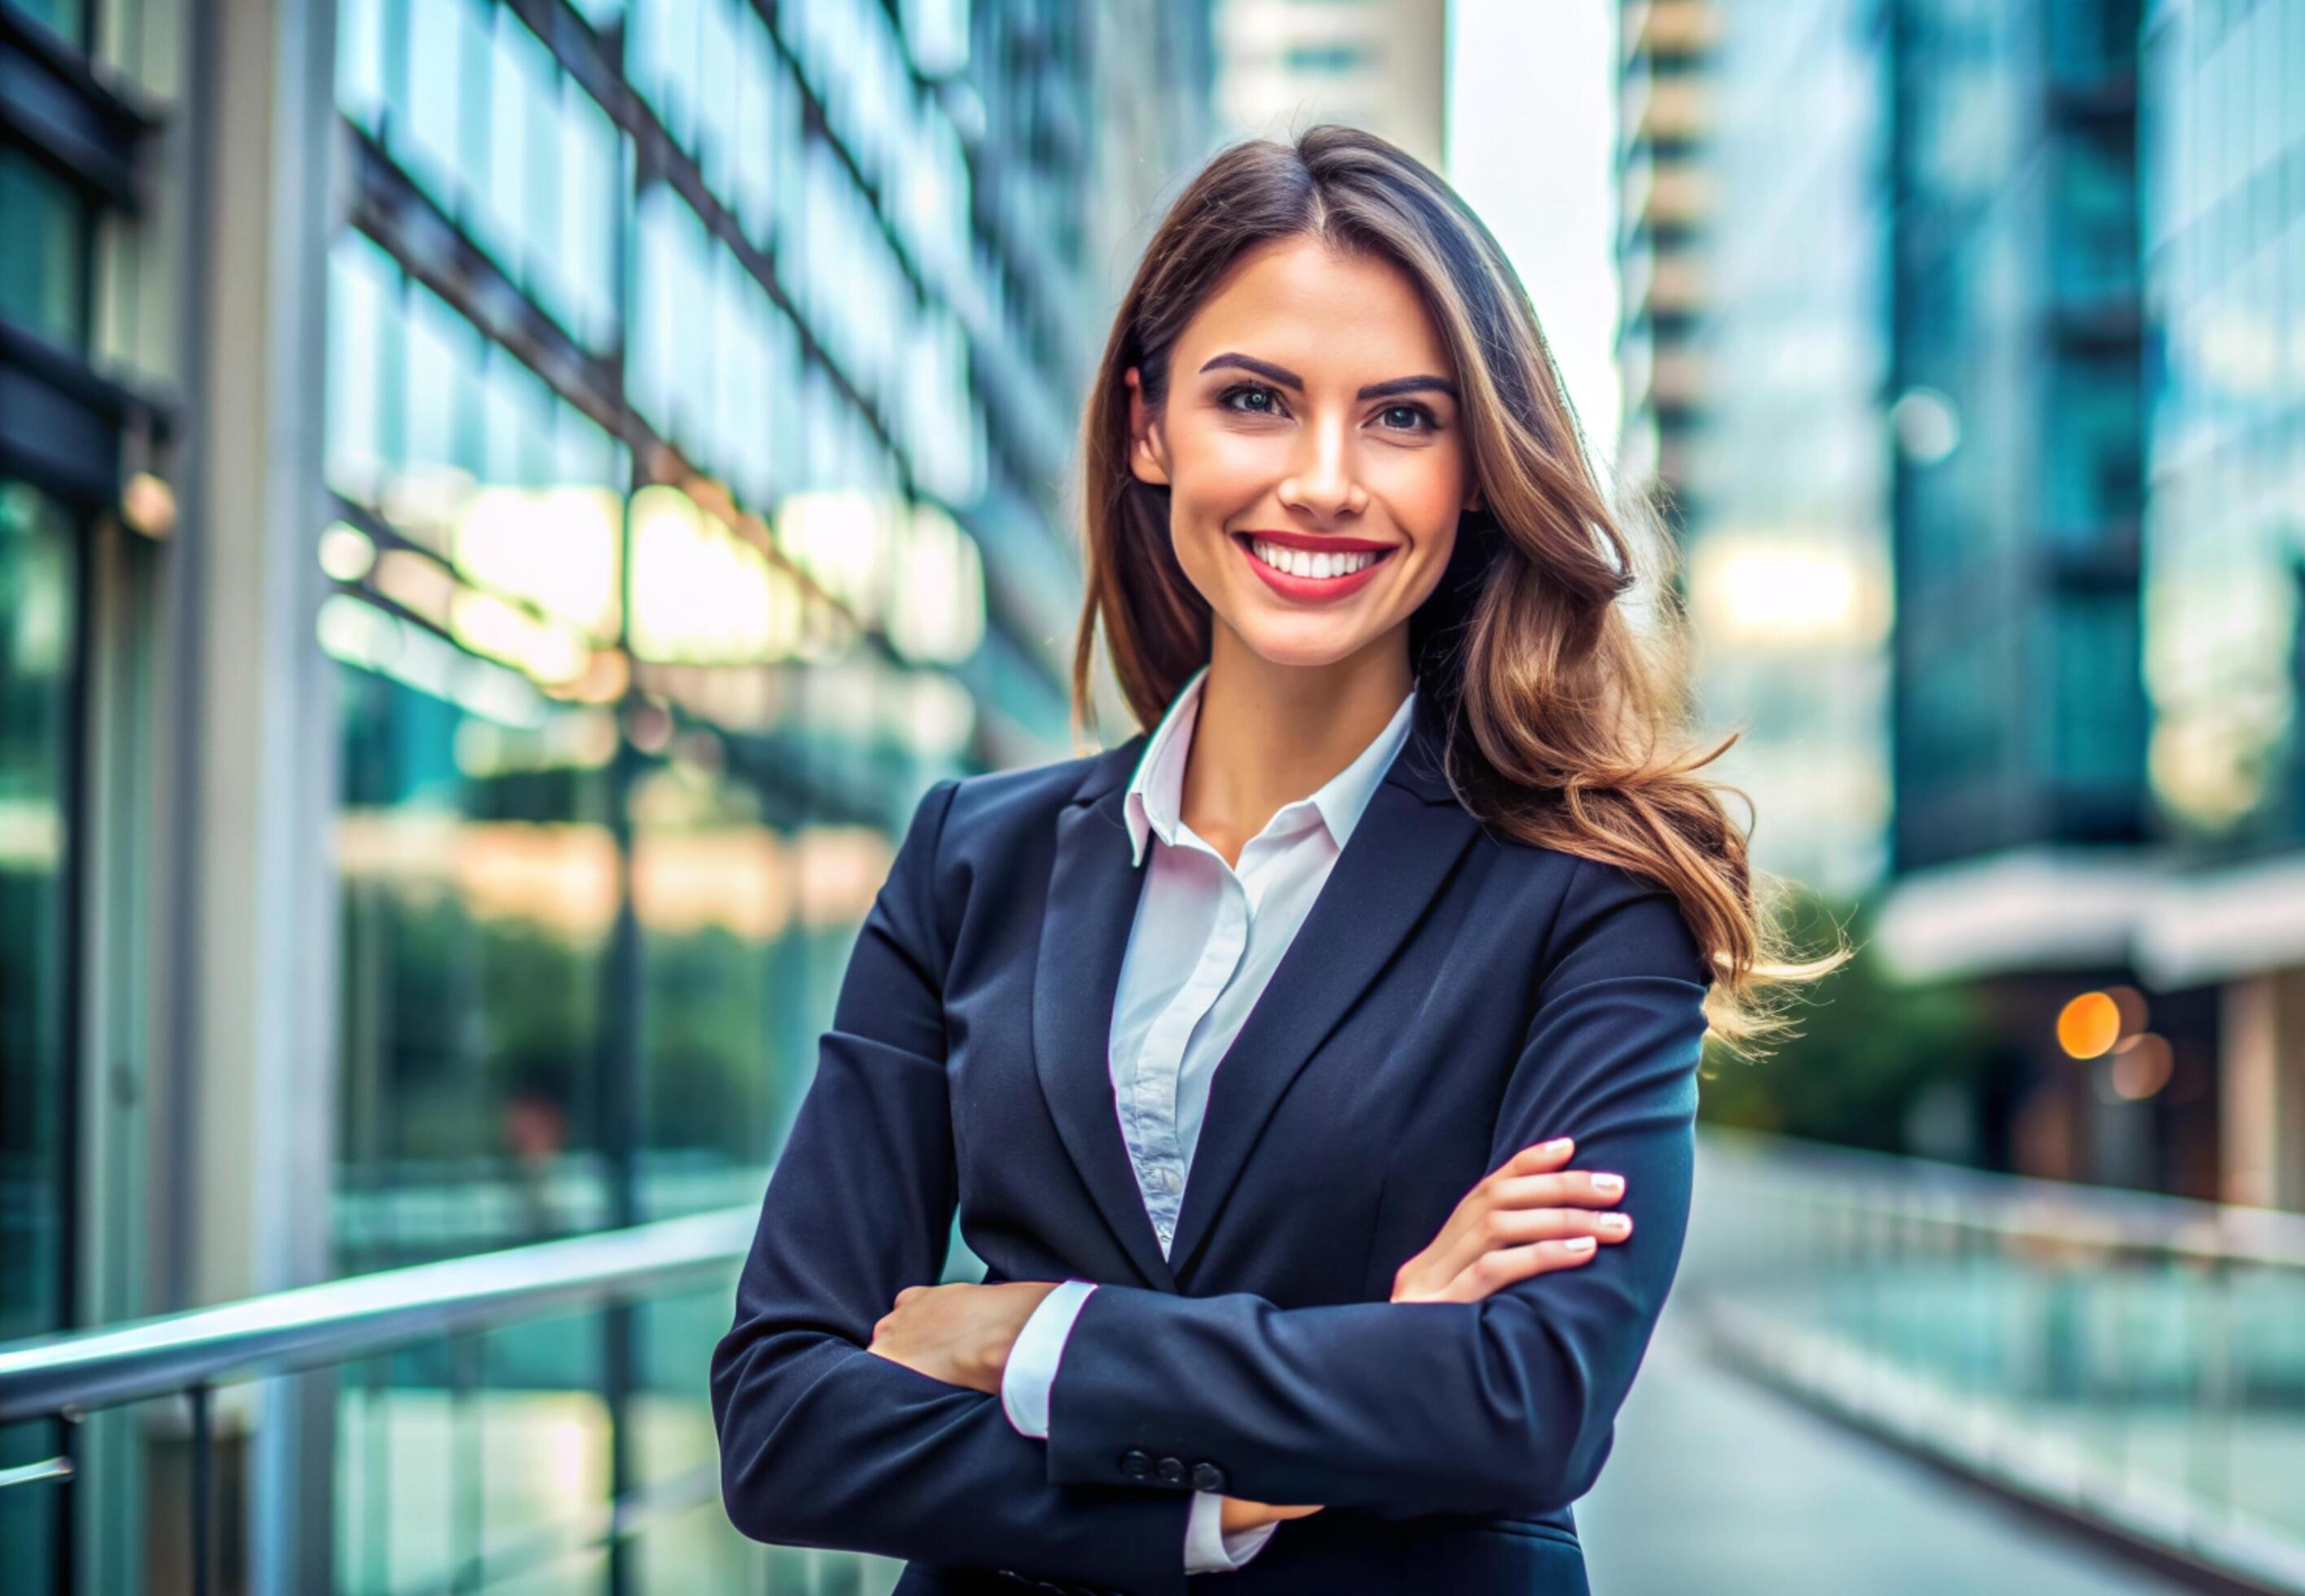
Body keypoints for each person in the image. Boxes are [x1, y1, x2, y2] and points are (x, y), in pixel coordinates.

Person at [708, 124, 1843, 1595]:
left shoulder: (1592, 886)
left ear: (1480, 471)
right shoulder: (966, 861)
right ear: (1148, 425)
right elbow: (781, 1421)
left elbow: (1526, 1407)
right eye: (1255, 400)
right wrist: (1322, 1402)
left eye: (1403, 418)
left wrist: (1030, 1336)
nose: (1324, 480)